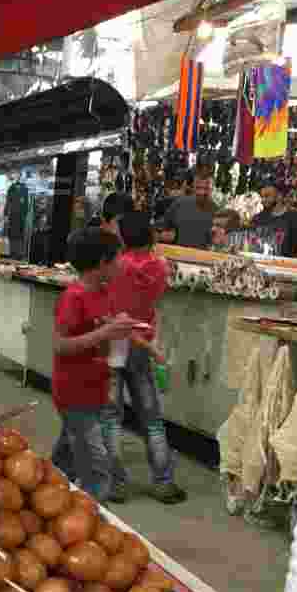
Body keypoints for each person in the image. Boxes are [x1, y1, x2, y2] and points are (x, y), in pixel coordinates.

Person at [50, 230, 137, 503]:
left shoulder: (104, 292)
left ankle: (45, 495)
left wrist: (119, 327)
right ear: (102, 262)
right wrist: (106, 332)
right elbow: (59, 345)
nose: (122, 263)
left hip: (96, 389)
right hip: (74, 393)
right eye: (117, 258)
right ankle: (88, 526)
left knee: (66, 457)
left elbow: (104, 327)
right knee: (97, 470)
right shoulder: (74, 297)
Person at [104, 211, 184, 505]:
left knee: (111, 419)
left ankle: (115, 485)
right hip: (142, 344)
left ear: (123, 237)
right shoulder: (160, 267)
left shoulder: (116, 266)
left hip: (114, 343)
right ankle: (163, 482)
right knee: (151, 419)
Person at [161, 165, 215, 249]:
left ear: (212, 189)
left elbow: (218, 242)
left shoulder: (217, 212)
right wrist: (165, 235)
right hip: (178, 256)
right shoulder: (179, 204)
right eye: (198, 188)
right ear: (193, 187)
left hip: (203, 258)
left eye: (206, 188)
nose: (201, 192)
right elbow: (164, 229)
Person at [249, 184, 297, 257]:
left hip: (287, 264)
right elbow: (251, 243)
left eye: (267, 196)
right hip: (261, 262)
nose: (263, 200)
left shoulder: (295, 217)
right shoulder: (257, 219)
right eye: (262, 196)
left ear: (279, 196)